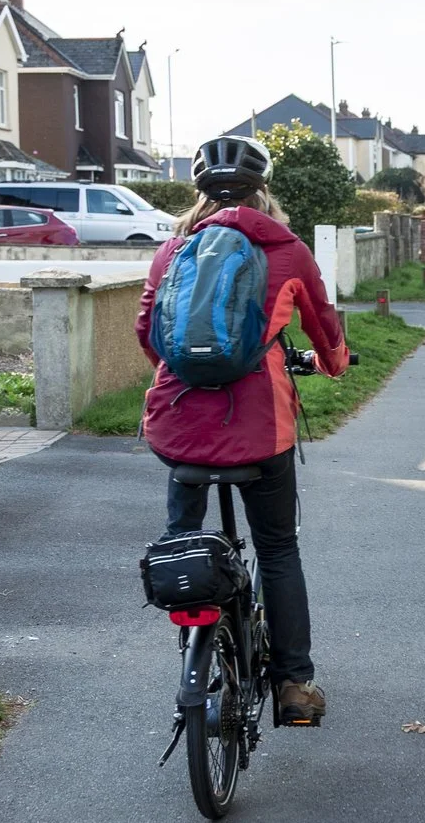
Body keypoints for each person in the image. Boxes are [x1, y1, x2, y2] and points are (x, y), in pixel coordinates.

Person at [136, 136, 349, 725]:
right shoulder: (286, 249)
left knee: (183, 537)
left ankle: (195, 656)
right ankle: (294, 685)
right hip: (260, 428)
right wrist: (332, 364)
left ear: (197, 192)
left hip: (178, 424)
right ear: (264, 192)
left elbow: (148, 332)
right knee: (278, 547)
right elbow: (323, 325)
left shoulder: (173, 251)